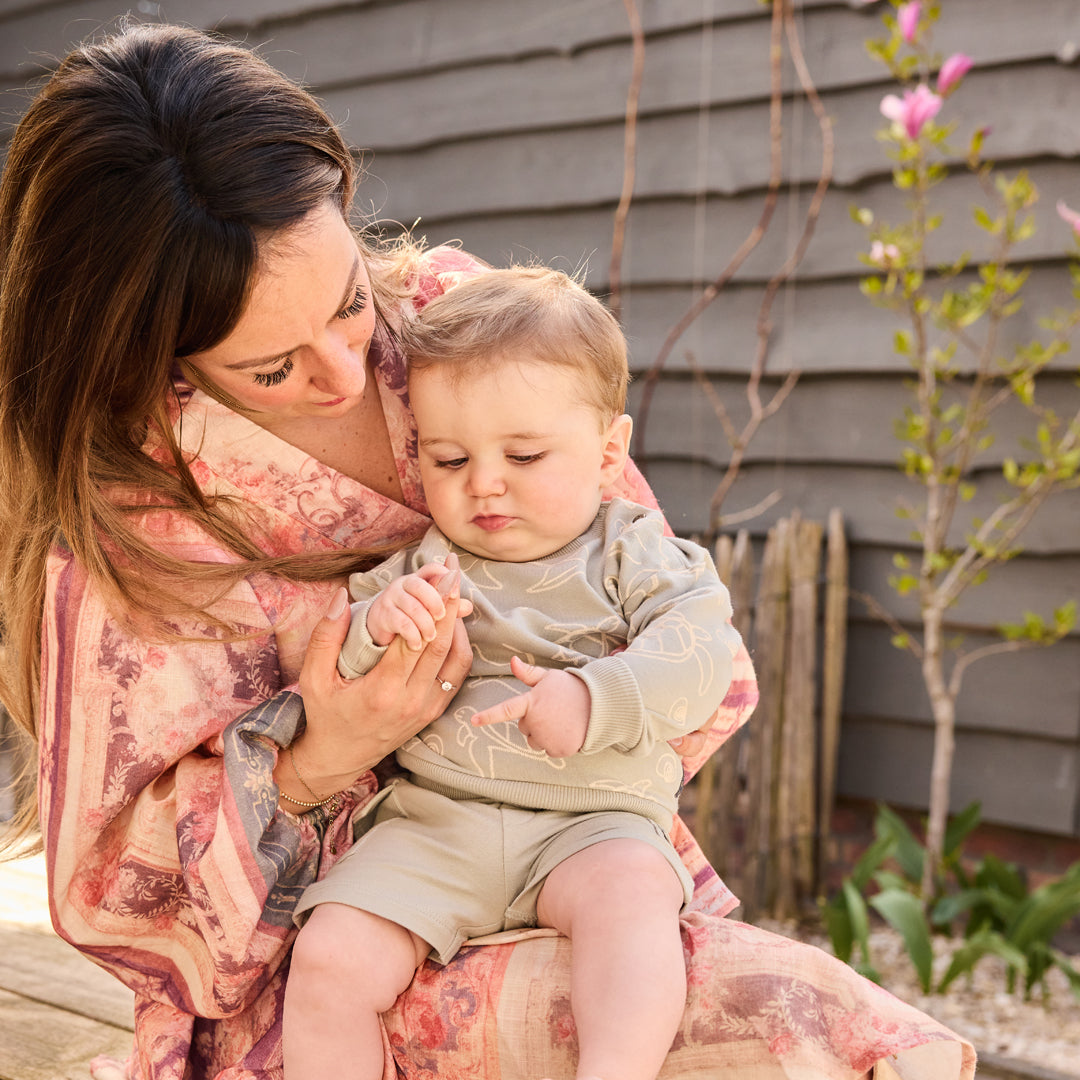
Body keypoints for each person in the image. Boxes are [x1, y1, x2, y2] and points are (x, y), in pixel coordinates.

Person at [0, 21, 976, 1080]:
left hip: (578, 835)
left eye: (347, 302)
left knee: (817, 1024)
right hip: (333, 935)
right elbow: (119, 888)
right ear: (155, 357)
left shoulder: (461, 320)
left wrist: (582, 746)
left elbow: (681, 633)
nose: (348, 368)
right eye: (273, 368)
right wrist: (329, 744)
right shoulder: (143, 519)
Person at [284, 267, 745, 1080]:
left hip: (593, 823)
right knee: (328, 955)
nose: (483, 483)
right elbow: (339, 658)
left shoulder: (636, 553)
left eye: (524, 454)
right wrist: (373, 627)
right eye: (448, 457)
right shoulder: (424, 564)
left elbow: (703, 654)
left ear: (608, 452)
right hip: (436, 822)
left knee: (635, 907)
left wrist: (595, 695)